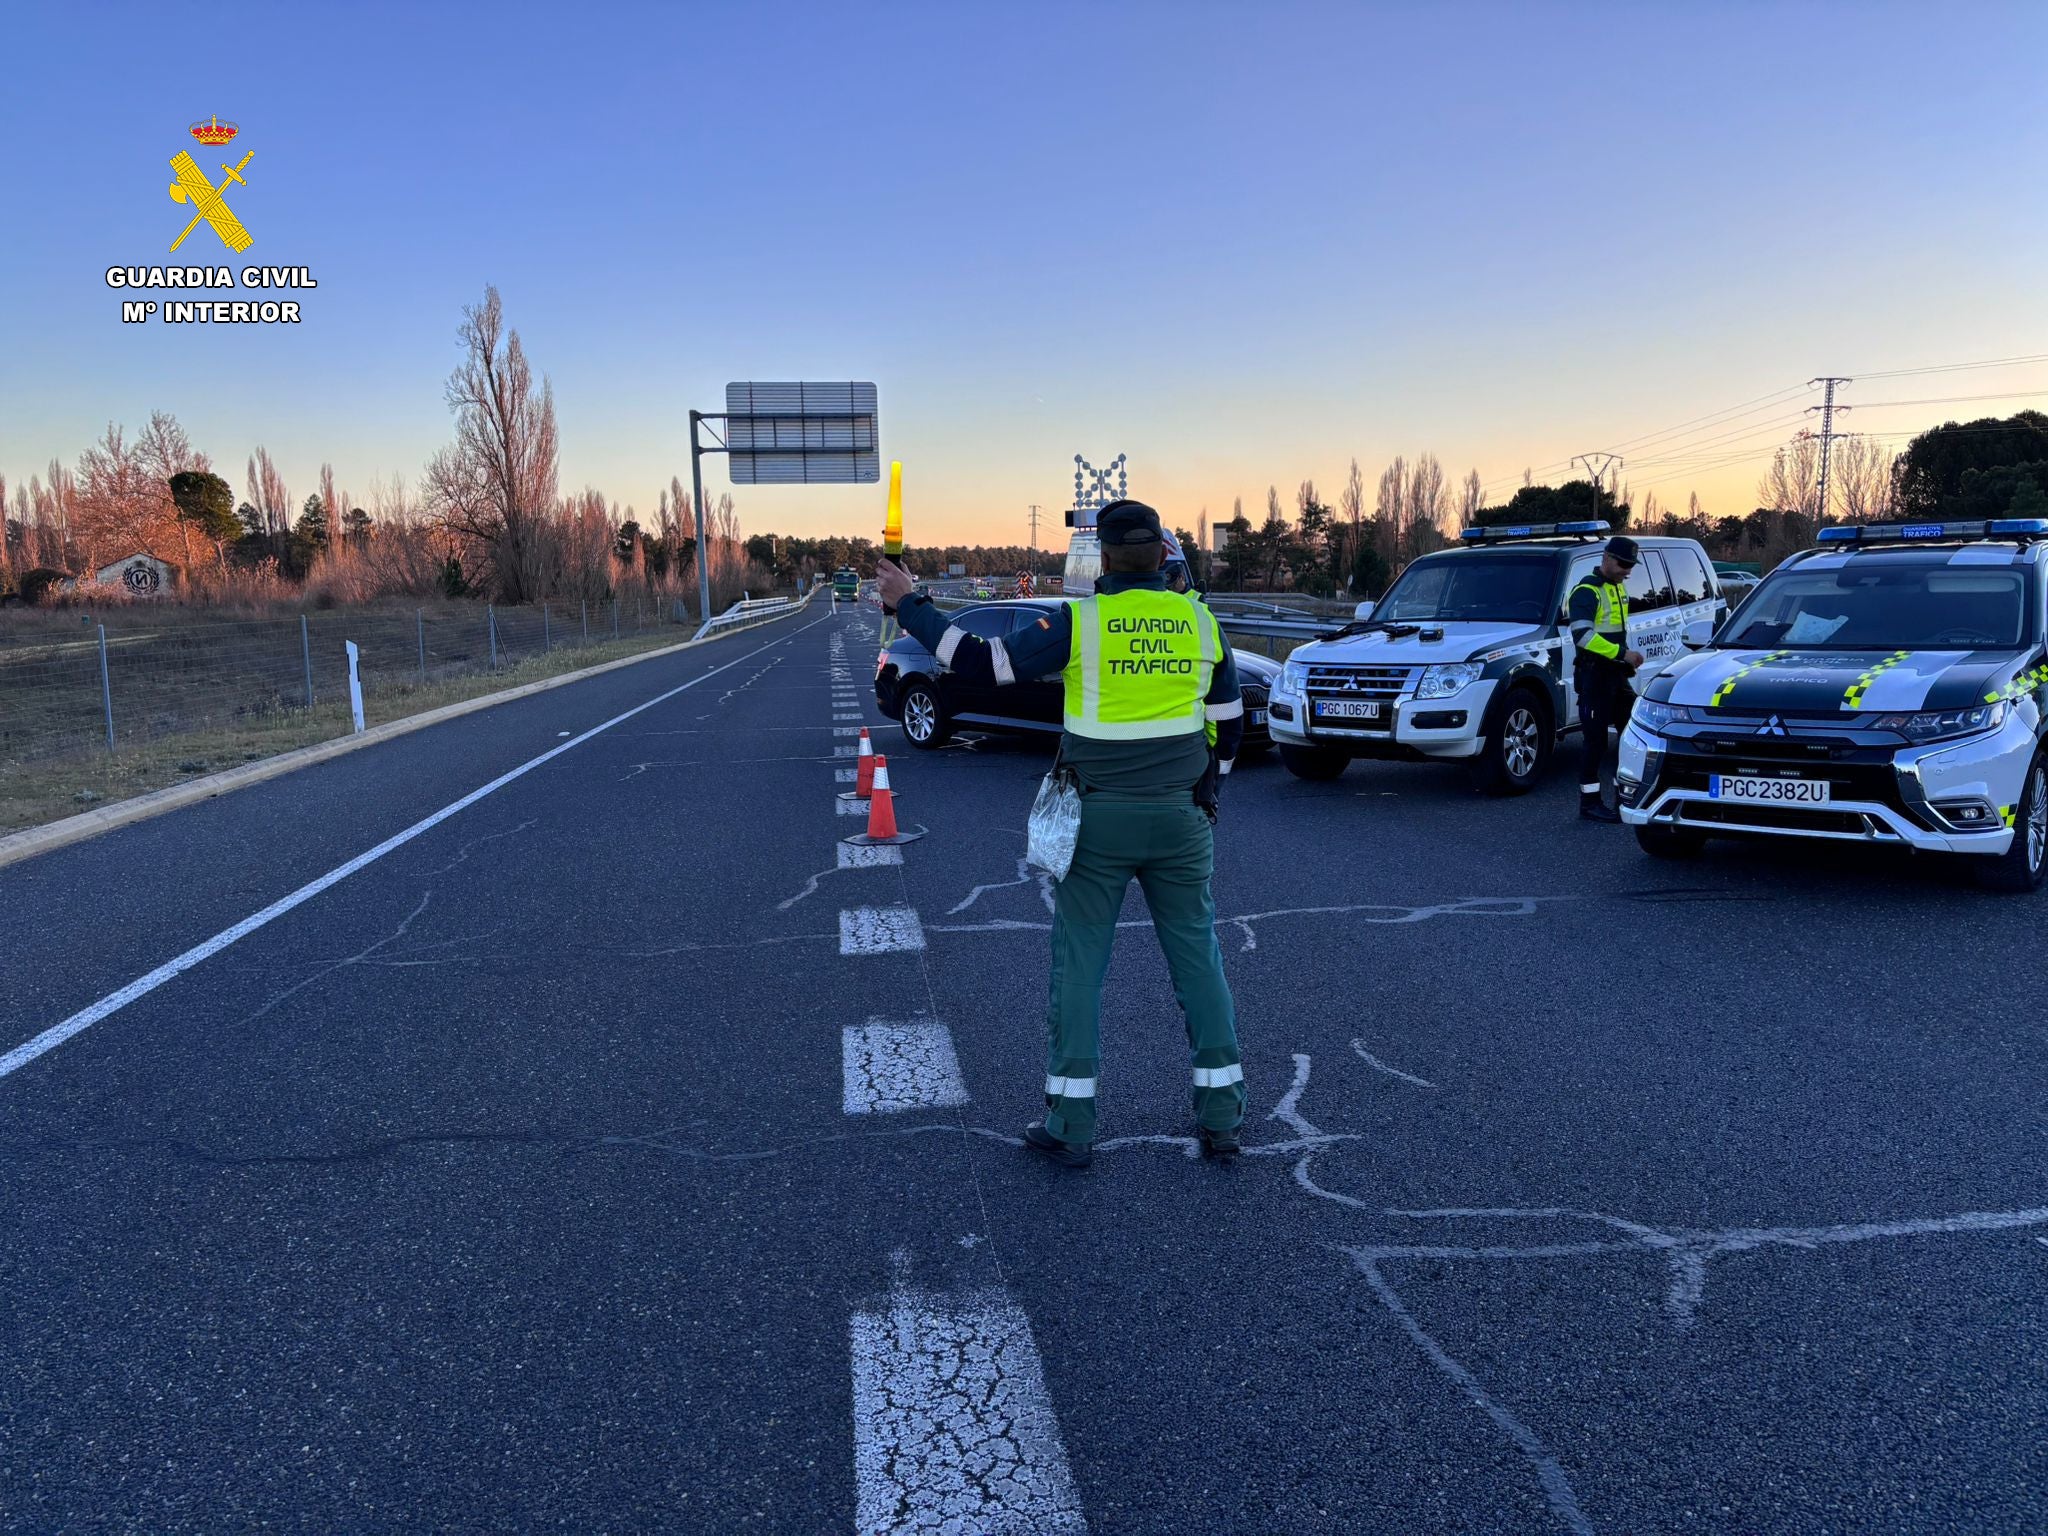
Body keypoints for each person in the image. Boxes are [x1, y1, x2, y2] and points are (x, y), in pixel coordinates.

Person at [875, 500, 1246, 1169]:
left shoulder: (1081, 623)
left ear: (1101, 558)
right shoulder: (1201, 622)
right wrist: (1206, 791)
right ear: (1163, 556)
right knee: (1198, 963)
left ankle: (1072, 1122)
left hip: (1098, 822)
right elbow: (1229, 724)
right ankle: (1222, 1117)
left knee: (1080, 968)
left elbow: (979, 663)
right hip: (1182, 819)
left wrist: (911, 604)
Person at [1567, 535, 1645, 822]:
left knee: (1631, 734)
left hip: (1615, 675)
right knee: (1595, 741)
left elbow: (1615, 632)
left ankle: (1623, 796)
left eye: (1631, 565)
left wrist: (1624, 663)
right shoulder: (1587, 592)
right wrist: (1622, 654)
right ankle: (1589, 803)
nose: (1628, 570)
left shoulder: (1617, 588)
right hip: (1594, 676)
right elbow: (1583, 637)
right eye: (1624, 563)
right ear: (1606, 558)